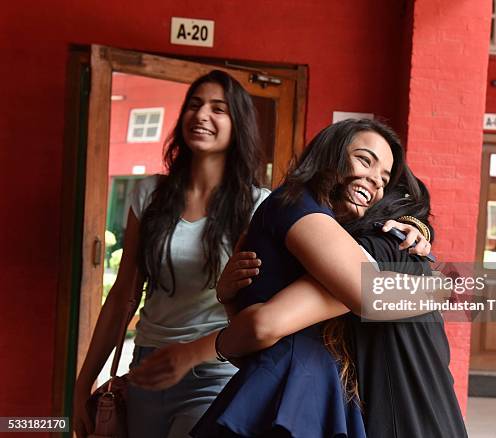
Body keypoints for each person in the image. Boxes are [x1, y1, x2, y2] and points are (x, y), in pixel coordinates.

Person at [190, 119, 437, 438]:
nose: (375, 182)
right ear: (331, 153)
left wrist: (414, 226)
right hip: (297, 384)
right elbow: (368, 296)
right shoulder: (298, 206)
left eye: (384, 180)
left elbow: (255, 337)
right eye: (364, 160)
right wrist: (441, 288)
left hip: (298, 379)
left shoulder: (326, 225)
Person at [73, 70, 270, 438]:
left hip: (215, 368)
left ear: (238, 123)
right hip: (147, 366)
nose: (201, 115)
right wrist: (82, 383)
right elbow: (122, 297)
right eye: (194, 106)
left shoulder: (257, 205)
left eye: (218, 108)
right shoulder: (149, 194)